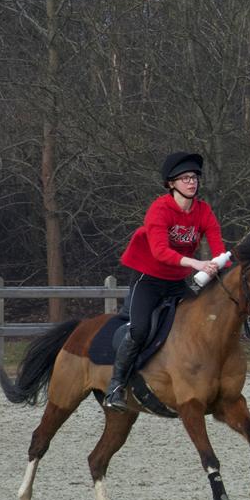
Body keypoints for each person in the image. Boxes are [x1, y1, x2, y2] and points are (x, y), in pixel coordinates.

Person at [103, 151, 228, 411]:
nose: (191, 182)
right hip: (148, 278)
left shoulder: (203, 211)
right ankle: (115, 386)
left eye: (194, 177)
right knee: (139, 330)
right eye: (184, 178)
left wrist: (222, 262)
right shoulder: (159, 209)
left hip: (177, 280)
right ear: (171, 184)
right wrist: (196, 263)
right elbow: (160, 252)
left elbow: (218, 247)